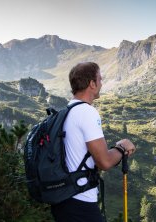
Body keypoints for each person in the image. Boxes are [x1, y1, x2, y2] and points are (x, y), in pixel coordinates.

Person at [51, 62, 136, 222]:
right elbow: (104, 162)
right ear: (92, 83)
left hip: (63, 199)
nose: (102, 83)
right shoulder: (87, 112)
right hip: (80, 201)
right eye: (100, 79)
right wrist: (122, 147)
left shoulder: (67, 111)